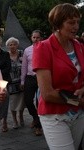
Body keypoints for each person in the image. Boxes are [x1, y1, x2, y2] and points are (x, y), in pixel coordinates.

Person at [33, 3, 84, 150]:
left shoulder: (79, 46)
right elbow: (47, 94)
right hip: (54, 115)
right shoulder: (43, 48)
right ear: (57, 24)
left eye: (78, 22)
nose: (76, 27)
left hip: (78, 114)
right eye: (71, 22)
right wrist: (79, 101)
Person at [21, 30, 43, 136]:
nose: (35, 39)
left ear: (41, 38)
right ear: (31, 38)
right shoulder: (27, 50)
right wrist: (22, 80)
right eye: (34, 37)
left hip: (42, 77)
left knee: (40, 102)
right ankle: (35, 117)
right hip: (30, 77)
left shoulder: (45, 48)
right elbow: (24, 66)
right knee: (28, 101)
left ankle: (38, 126)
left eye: (38, 37)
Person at [6, 37, 25, 129]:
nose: (12, 46)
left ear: (17, 45)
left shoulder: (22, 53)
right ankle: (14, 120)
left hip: (21, 81)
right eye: (10, 44)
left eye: (14, 44)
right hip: (11, 82)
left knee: (22, 101)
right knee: (13, 102)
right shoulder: (6, 55)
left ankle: (21, 116)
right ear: (8, 46)